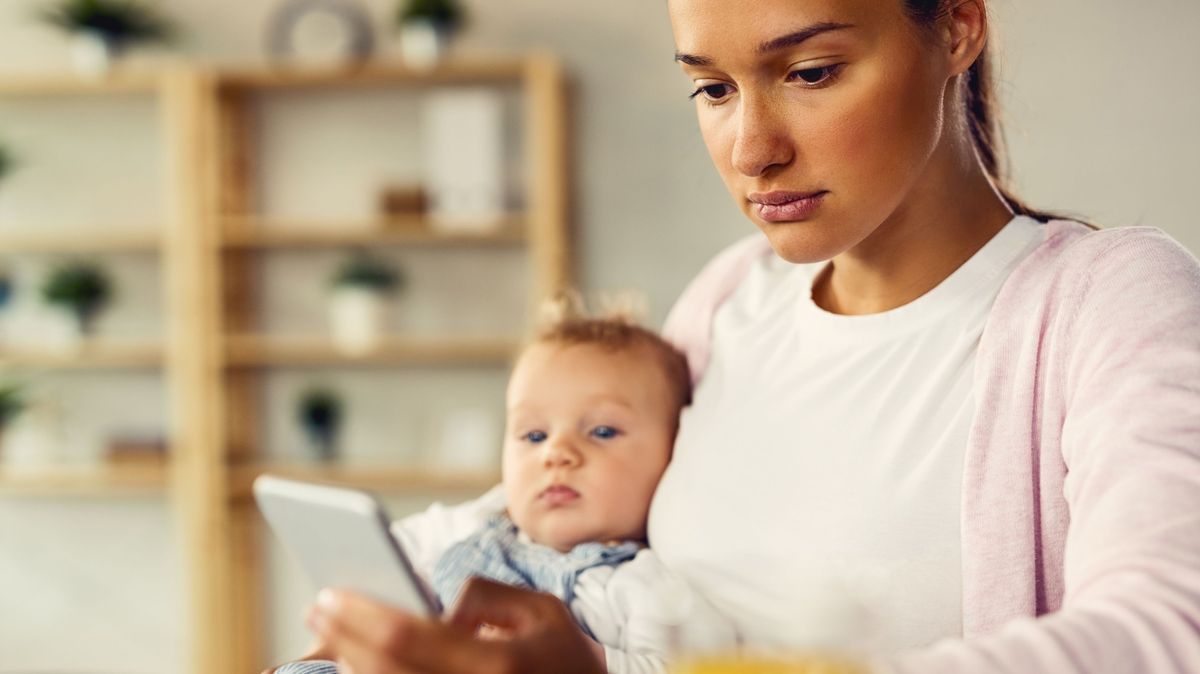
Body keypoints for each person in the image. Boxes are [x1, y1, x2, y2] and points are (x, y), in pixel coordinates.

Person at [298, 0, 1200, 672]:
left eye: (809, 73)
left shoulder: (1107, 302)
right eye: (713, 88)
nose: (751, 148)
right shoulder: (733, 297)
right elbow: (539, 508)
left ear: (959, 27)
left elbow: (1164, 631)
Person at [271, 306, 738, 674]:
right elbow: (385, 560)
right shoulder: (481, 526)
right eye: (534, 436)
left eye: (601, 432)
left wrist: (591, 660)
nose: (556, 453)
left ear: (675, 453)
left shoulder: (647, 588)